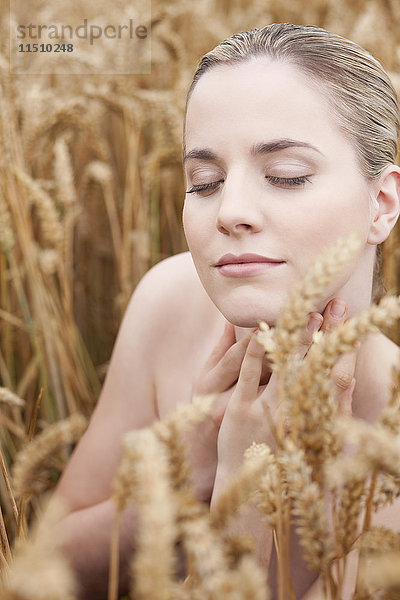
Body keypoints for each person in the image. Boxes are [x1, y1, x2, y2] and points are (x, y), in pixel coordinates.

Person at [53, 22, 400, 599]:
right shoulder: (169, 302)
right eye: (205, 181)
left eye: (286, 176)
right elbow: (33, 571)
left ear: (381, 204)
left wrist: (245, 502)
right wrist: (185, 484)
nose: (230, 210)